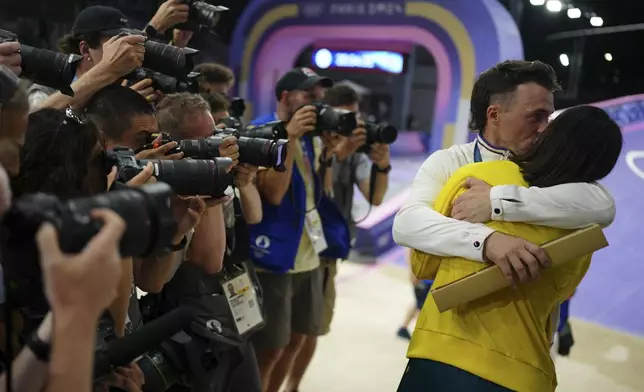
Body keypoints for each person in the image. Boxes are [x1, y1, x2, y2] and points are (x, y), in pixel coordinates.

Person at [398, 105, 623, 392]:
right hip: (524, 371)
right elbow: (566, 289)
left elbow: (423, 264)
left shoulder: (477, 176)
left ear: (553, 137)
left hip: (439, 353)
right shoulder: (585, 225)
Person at [393, 60, 615, 288]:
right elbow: (407, 224)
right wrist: (487, 242)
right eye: (535, 116)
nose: (544, 127)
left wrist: (496, 202)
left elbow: (602, 207)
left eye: (548, 117)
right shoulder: (450, 161)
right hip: (459, 308)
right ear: (494, 114)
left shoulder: (549, 164)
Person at [247, 67, 350, 392]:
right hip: (274, 258)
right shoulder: (262, 131)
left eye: (320, 98)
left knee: (296, 341)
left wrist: (329, 154)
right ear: (285, 97)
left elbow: (323, 194)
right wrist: (288, 136)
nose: (317, 105)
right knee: (270, 350)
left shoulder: (311, 140)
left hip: (309, 256)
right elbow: (274, 194)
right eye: (309, 97)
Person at [283, 83, 391, 392]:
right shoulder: (313, 143)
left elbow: (376, 197)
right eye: (345, 118)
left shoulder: (356, 155)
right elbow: (317, 192)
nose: (351, 127)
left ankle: (293, 386)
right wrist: (335, 154)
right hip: (299, 247)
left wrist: (382, 165)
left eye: (356, 119)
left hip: (329, 248)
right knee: (284, 334)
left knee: (310, 329)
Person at [154, 93, 263, 392]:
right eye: (206, 139)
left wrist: (242, 182)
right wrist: (211, 173)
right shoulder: (172, 185)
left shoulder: (217, 171)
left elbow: (254, 216)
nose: (218, 143)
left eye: (215, 134)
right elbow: (210, 260)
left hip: (226, 309)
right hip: (191, 323)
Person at [396, 249, 432, 340]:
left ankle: (403, 328)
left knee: (418, 303)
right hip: (422, 276)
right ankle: (420, 336)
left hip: (429, 275)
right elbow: (410, 250)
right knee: (423, 307)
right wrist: (413, 273)